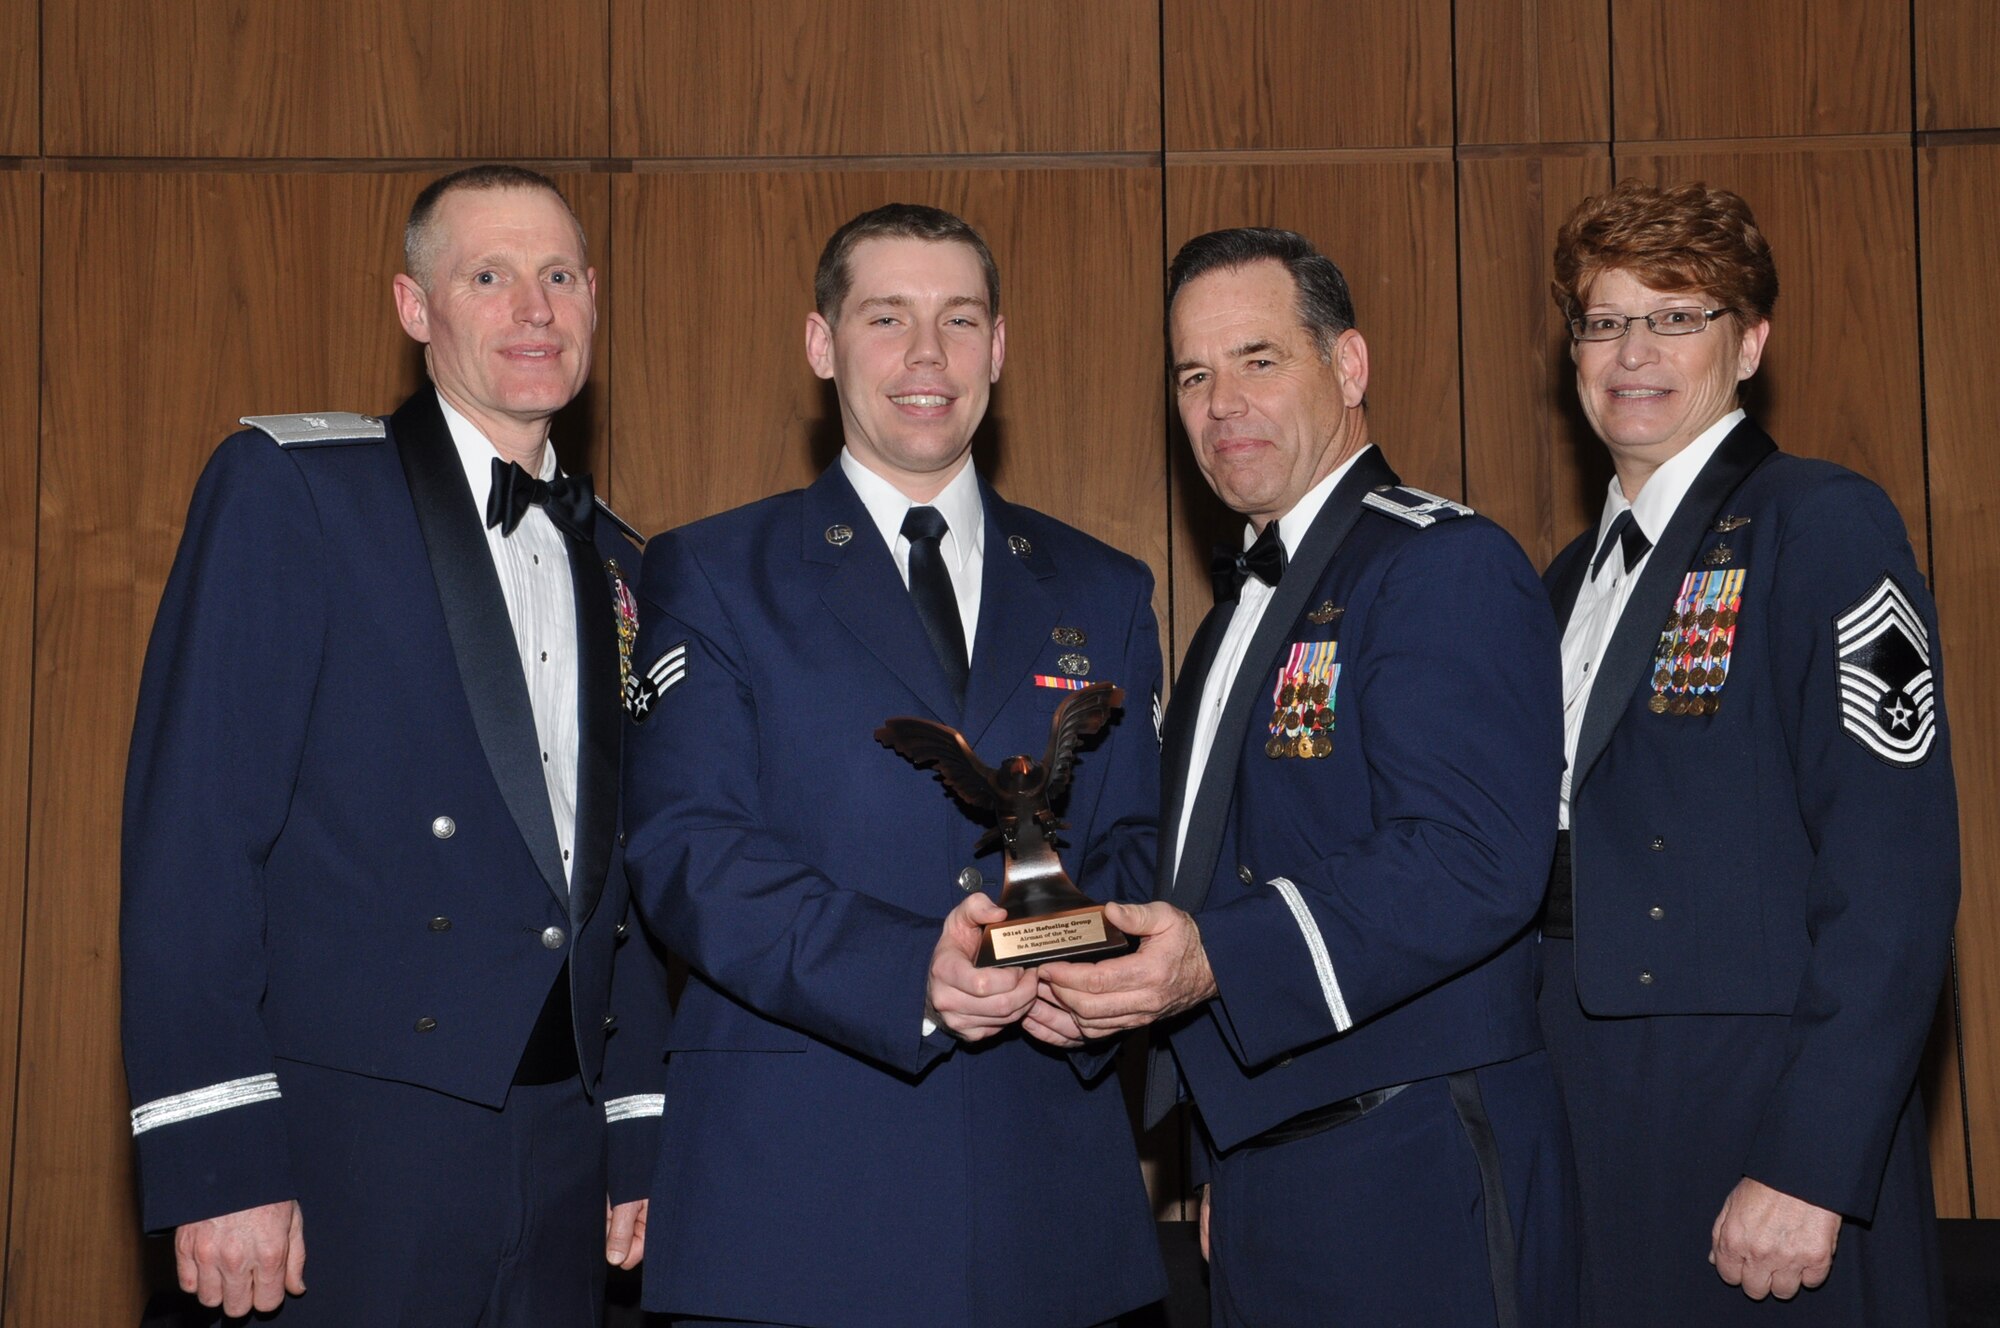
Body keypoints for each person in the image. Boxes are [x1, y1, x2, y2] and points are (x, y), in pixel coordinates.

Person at [120, 165, 667, 1325]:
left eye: (559, 275)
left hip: (558, 1149)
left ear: (594, 302)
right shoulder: (300, 491)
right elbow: (195, 841)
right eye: (489, 275)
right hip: (341, 1146)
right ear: (416, 309)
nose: (534, 308)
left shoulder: (619, 557)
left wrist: (634, 1120)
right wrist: (221, 1159)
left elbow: (623, 871)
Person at [620, 203, 1167, 1327]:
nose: (927, 356)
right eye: (887, 318)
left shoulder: (1101, 587)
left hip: (1046, 1198)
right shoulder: (715, 573)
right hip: (794, 1202)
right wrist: (906, 971)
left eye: (958, 319)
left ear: (998, 349)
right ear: (821, 345)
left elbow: (1135, 837)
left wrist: (1097, 971)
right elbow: (689, 850)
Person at [1035, 227, 1577, 1327]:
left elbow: (1474, 860)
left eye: (1257, 358)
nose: (1220, 401)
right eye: (1193, 374)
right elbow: (1203, 869)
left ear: (1349, 367)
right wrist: (1054, 946)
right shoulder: (1231, 615)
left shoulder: (1438, 563)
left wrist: (1211, 962)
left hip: (1411, 1155)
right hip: (1259, 1165)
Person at [1535, 178, 1959, 1324]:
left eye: (1676, 316)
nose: (1633, 350)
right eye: (1604, 319)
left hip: (1752, 1123)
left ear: (1750, 340)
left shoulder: (1819, 524)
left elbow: (1893, 872)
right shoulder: (1565, 579)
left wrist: (1812, 1161)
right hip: (1584, 1113)